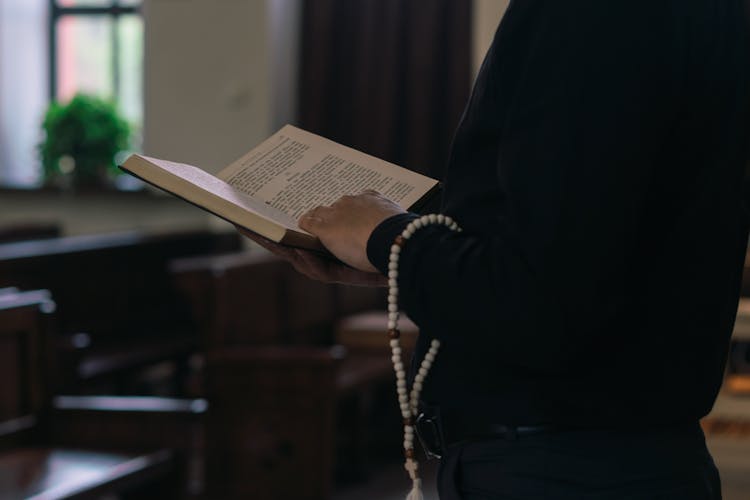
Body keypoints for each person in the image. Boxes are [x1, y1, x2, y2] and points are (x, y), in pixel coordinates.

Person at [240, 1, 750, 498]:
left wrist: (390, 236)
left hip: (559, 468)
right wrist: (395, 257)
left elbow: (541, 303)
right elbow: (592, 245)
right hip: (614, 455)